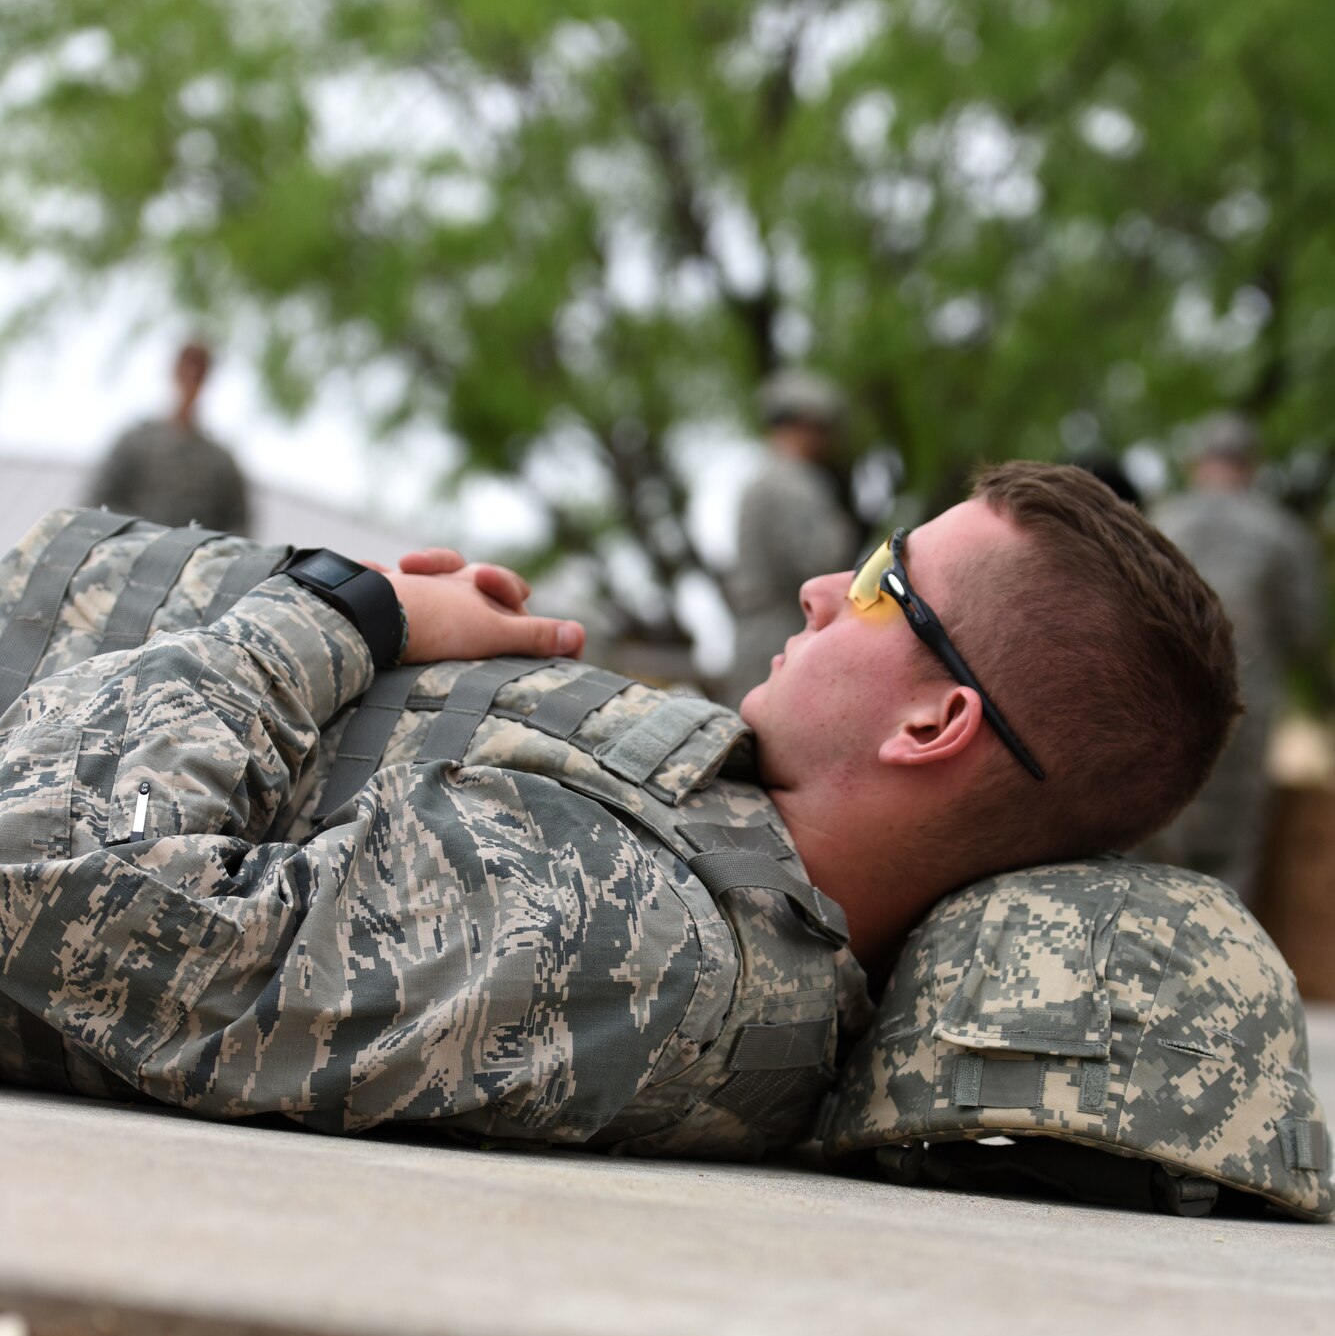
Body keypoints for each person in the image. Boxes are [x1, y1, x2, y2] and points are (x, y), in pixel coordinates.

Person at [0, 465, 1238, 1157]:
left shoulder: (641, 939)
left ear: (933, 724)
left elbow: (55, 876)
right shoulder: (708, 845)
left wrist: (339, 614)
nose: (817, 589)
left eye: (879, 584)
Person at [1139, 413, 1326, 905]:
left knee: (1156, 833)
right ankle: (1219, 967)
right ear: (1252, 465)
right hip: (1246, 708)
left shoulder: (1159, 523)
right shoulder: (1282, 534)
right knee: (1232, 853)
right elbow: (1305, 631)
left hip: (1162, 705)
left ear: (1197, 461)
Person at [719, 369, 861, 707]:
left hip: (755, 631)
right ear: (804, 425)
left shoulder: (759, 482)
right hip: (784, 632)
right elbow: (819, 562)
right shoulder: (795, 484)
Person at [86, 341, 251, 536]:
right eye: (186, 368)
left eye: (198, 373)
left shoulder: (220, 462)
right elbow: (98, 502)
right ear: (175, 371)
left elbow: (238, 526)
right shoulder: (135, 442)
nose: (190, 379)